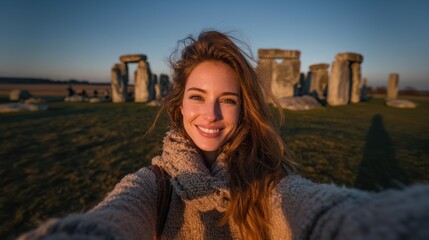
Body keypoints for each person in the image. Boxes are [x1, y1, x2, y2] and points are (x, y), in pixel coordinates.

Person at [19, 31, 429, 240]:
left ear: (244, 107)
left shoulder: (268, 183)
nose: (211, 115)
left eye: (228, 100)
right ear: (179, 105)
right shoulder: (153, 185)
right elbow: (110, 220)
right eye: (198, 96)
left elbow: (324, 213)